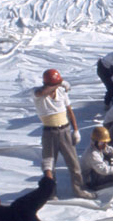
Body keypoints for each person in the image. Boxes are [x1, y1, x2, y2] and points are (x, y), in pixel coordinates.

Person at [33, 69, 95, 200]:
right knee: (49, 164)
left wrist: (76, 130)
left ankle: (78, 189)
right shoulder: (38, 94)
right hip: (49, 133)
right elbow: (42, 92)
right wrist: (58, 84)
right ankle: (50, 192)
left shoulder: (61, 92)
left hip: (65, 131)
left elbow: (70, 111)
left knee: (73, 163)